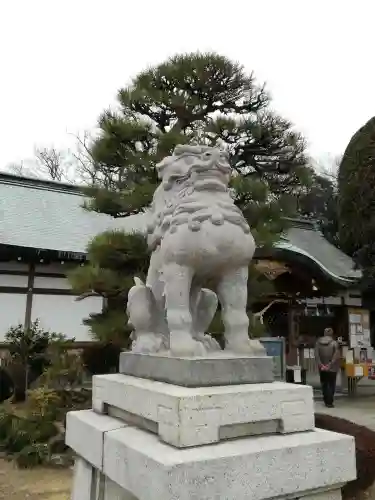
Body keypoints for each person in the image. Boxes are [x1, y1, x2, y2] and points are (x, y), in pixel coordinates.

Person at [315, 327, 340, 407]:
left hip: (322, 368)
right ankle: (330, 401)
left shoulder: (318, 343)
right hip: (332, 369)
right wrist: (330, 365)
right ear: (332, 334)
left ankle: (326, 400)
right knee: (332, 384)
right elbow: (335, 356)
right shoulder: (334, 343)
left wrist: (321, 365)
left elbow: (316, 355)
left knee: (324, 384)